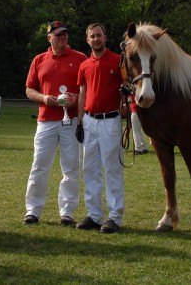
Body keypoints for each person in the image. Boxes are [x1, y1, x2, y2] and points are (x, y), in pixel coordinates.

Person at [23, 21, 87, 226]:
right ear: (49, 38)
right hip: (46, 120)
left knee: (71, 168)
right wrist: (44, 98)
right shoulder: (39, 59)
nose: (62, 37)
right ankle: (33, 210)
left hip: (72, 120)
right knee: (39, 166)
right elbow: (29, 89)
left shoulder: (80, 58)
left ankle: (67, 212)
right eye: (58, 35)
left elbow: (87, 88)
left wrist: (76, 98)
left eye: (65, 34)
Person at [75, 23, 126, 233]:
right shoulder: (84, 65)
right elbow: (82, 94)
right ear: (87, 40)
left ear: (105, 37)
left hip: (110, 120)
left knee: (112, 168)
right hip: (89, 120)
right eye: (92, 36)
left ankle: (115, 217)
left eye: (99, 35)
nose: (96, 39)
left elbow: (128, 88)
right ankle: (94, 215)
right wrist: (79, 122)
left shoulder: (117, 60)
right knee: (90, 169)